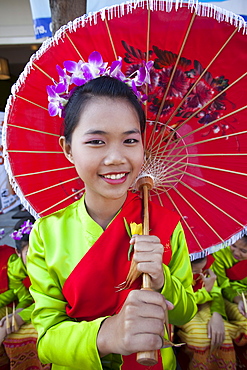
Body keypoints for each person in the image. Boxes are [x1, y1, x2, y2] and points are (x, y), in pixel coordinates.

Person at [27, 54, 197, 370]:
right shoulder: (47, 235)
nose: (116, 157)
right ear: (68, 149)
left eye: (130, 140)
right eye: (96, 142)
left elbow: (185, 312)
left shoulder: (165, 224)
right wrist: (108, 335)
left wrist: (162, 279)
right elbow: (47, 341)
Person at [0, 217, 50, 370]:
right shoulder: (16, 270)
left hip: (54, 308)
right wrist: (18, 312)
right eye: (29, 252)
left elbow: (53, 299)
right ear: (18, 252)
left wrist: (18, 317)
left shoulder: (55, 265)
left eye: (41, 249)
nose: (37, 258)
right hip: (33, 307)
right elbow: (24, 297)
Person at [176, 254, 239, 369]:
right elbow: (181, 301)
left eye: (202, 268)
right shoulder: (176, 271)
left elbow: (215, 292)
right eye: (195, 270)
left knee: (222, 336)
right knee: (200, 339)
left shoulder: (209, 262)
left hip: (205, 304)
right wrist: (206, 291)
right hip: (184, 309)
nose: (200, 272)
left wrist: (217, 315)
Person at [212, 235, 247, 368]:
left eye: (244, 251)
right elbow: (223, 287)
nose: (236, 253)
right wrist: (239, 300)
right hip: (229, 296)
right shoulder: (220, 253)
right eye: (234, 246)